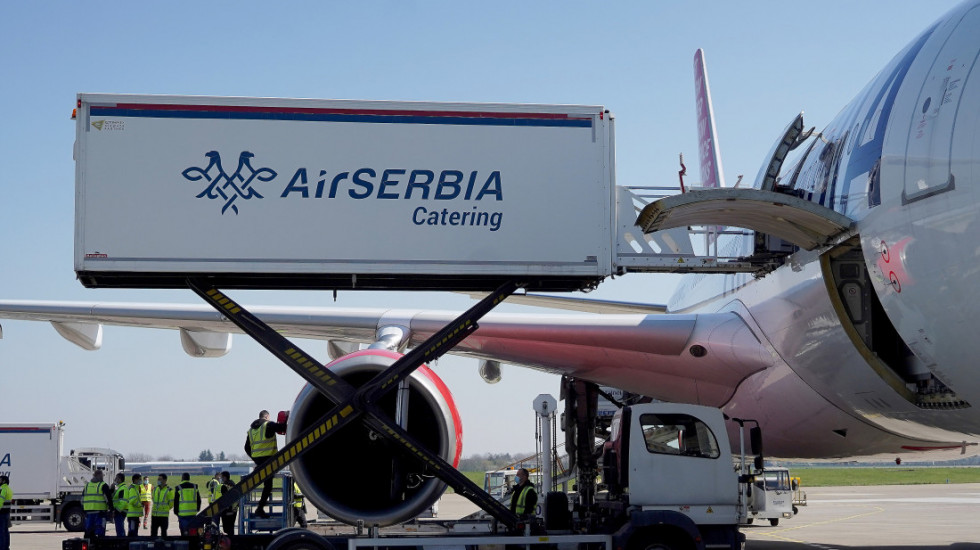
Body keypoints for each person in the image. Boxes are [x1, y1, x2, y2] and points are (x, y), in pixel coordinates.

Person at [243, 410, 286, 517]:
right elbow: (282, 428)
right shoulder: (268, 425)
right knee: (268, 485)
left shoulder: (251, 430)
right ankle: (260, 508)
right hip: (269, 459)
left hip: (258, 460)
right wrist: (286, 417)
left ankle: (260, 508)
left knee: (263, 482)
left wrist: (255, 459)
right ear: (267, 417)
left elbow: (246, 447)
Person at [81, 470, 112, 540]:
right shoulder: (103, 485)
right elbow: (108, 499)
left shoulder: (87, 485)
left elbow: (82, 500)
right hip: (100, 512)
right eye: (102, 475)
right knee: (100, 531)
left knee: (88, 531)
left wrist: (83, 509)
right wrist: (111, 509)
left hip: (88, 512)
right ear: (99, 475)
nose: (103, 477)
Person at [214, 471, 238, 535]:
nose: (221, 479)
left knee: (227, 528)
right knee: (231, 527)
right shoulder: (233, 484)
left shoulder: (224, 486)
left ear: (225, 477)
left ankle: (229, 541)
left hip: (227, 510)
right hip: (234, 509)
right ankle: (232, 541)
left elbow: (225, 499)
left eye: (222, 477)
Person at [0, 475, 12, 550]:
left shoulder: (3, 489)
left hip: (1, 513)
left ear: (4, 481)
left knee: (1, 531)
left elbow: (0, 501)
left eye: (0, 480)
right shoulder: (9, 489)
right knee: (6, 531)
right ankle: (6, 547)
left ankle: (2, 547)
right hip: (7, 512)